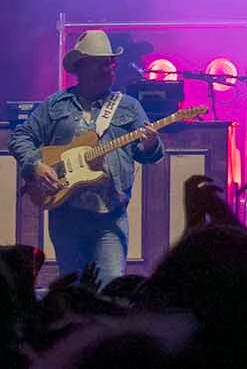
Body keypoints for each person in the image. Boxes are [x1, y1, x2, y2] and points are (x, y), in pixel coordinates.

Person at [8, 30, 165, 285]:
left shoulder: (128, 106)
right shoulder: (56, 105)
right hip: (67, 214)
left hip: (111, 215)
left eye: (111, 62)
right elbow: (20, 137)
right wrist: (36, 166)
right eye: (101, 62)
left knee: (111, 286)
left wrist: (150, 144)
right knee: (73, 288)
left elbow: (146, 155)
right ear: (81, 66)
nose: (109, 67)